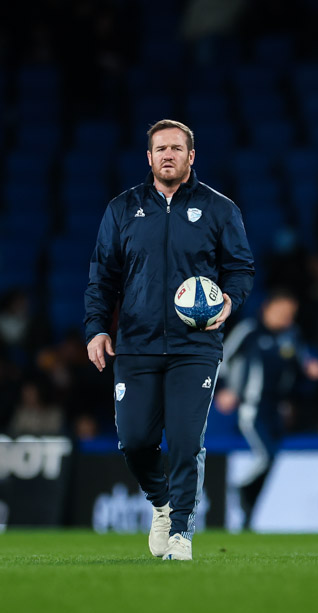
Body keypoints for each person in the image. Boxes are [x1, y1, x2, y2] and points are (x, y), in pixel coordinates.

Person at [85, 119, 254, 561]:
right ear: (149, 157)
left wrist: (229, 304)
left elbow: (240, 269)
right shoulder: (122, 209)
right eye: (160, 148)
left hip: (195, 346)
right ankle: (160, 503)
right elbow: (102, 277)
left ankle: (181, 530)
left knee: (183, 440)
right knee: (135, 439)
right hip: (136, 344)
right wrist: (97, 328)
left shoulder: (219, 209)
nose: (167, 155)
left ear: (190, 156)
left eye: (176, 148)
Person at [214, 289, 318, 530]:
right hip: (252, 409)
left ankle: (248, 510)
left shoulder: (292, 335)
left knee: (272, 459)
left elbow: (302, 364)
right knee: (267, 455)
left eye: (290, 313)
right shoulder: (249, 331)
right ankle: (242, 488)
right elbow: (223, 357)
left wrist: (311, 369)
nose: (286, 317)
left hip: (278, 410)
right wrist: (224, 389)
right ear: (267, 308)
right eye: (281, 311)